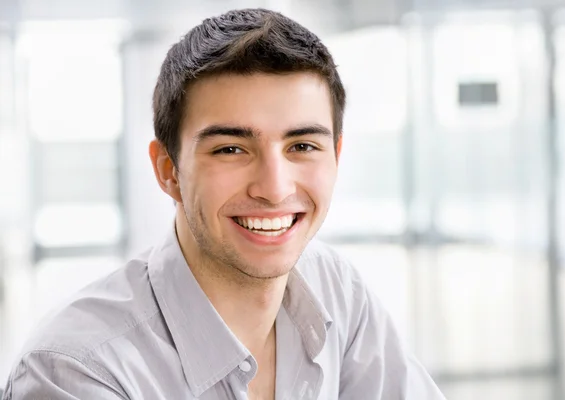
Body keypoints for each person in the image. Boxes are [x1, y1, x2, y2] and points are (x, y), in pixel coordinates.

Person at [2, 8, 446, 400]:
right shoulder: (76, 373)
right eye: (231, 149)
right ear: (168, 170)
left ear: (336, 156)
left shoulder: (336, 292)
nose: (274, 188)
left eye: (303, 146)